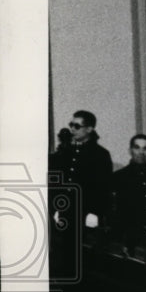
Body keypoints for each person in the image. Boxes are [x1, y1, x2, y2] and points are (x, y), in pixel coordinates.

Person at [50, 110, 113, 269]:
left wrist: (95, 212)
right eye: (71, 125)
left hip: (86, 214)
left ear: (89, 129)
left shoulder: (100, 155)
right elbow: (57, 183)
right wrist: (56, 208)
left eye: (77, 126)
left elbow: (103, 187)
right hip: (65, 212)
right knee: (64, 257)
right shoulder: (65, 152)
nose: (72, 129)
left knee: (84, 259)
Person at [110, 133, 146, 250]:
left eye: (145, 148)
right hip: (129, 236)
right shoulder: (118, 177)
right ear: (130, 151)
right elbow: (116, 211)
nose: (141, 152)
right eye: (137, 148)